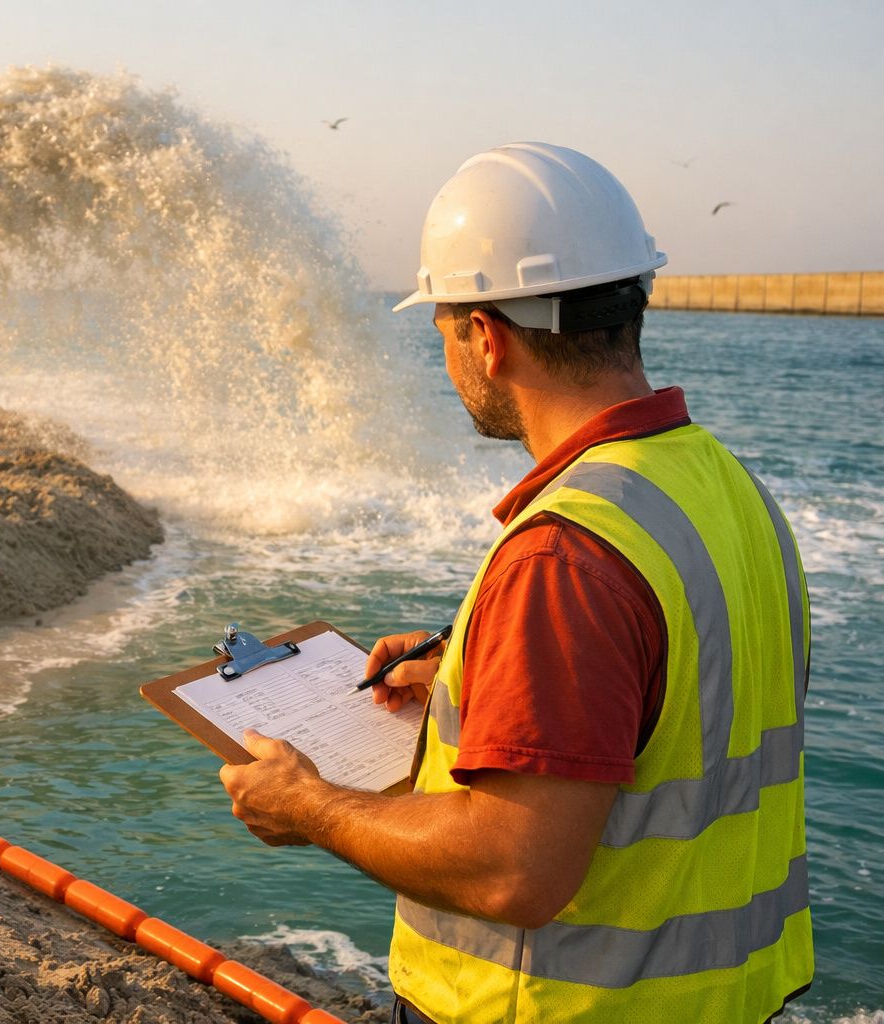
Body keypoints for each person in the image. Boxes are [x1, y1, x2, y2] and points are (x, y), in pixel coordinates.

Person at [218, 142, 812, 1023]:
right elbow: (682, 697)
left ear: (486, 338)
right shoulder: (724, 487)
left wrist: (308, 805)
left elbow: (514, 868)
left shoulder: (565, 556)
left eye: (445, 328)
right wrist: (473, 678)